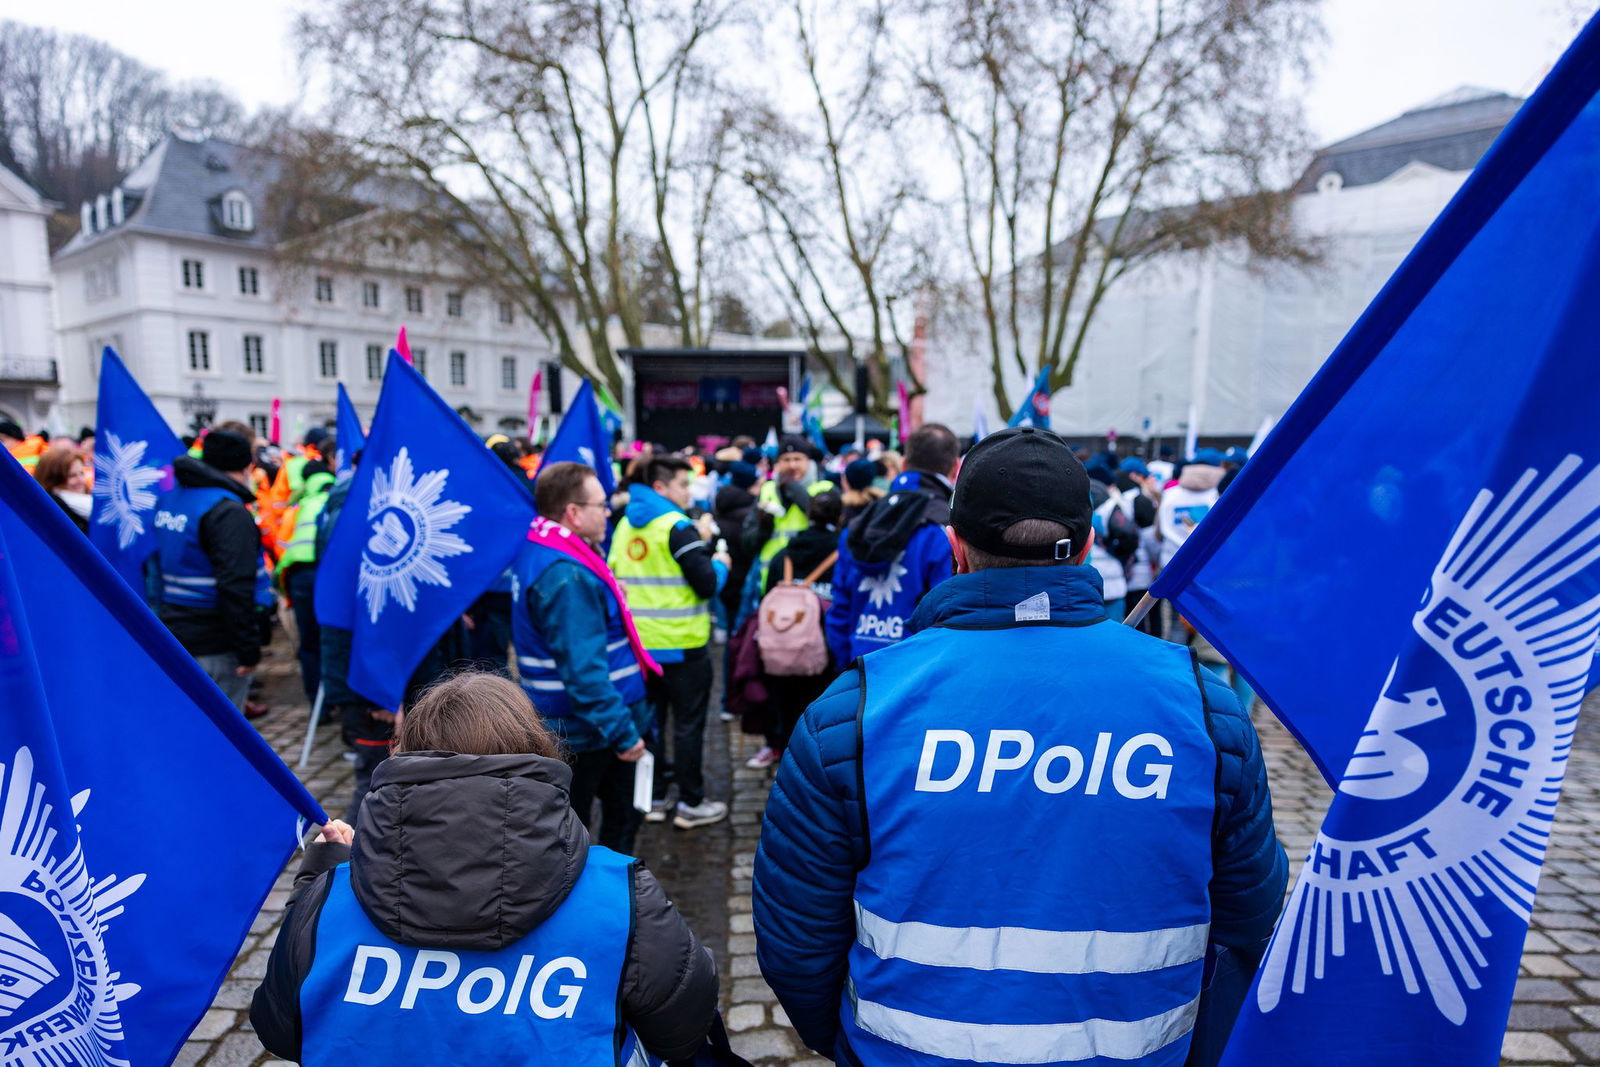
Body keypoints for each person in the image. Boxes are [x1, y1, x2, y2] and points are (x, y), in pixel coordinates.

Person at [752, 426, 1287, 1066]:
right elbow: (1251, 919)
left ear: (955, 548)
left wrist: (845, 1044)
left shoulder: (857, 711)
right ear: (1088, 547)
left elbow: (797, 939)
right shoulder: (1204, 707)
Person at [250, 671, 719, 1064]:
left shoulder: (332, 900)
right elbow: (681, 1031)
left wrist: (319, 884)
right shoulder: (621, 895)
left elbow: (283, 1030)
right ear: (539, 755)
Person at [512, 461, 655, 853]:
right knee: (609, 827)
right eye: (601, 505)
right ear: (573, 513)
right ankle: (607, 901)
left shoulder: (547, 550)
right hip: (591, 730)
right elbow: (584, 674)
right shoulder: (567, 575)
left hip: (577, 724)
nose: (608, 512)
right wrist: (624, 734)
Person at [610, 454, 732, 830]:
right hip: (684, 646)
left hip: (643, 649)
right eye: (682, 484)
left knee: (653, 723)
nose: (688, 491)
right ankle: (692, 802)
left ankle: (658, 798)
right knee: (688, 725)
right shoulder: (677, 526)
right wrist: (721, 561)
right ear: (661, 487)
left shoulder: (624, 526)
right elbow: (706, 585)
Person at [825, 423, 959, 666]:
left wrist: (850, 672)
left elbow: (839, 612)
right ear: (956, 467)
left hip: (859, 673)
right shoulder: (947, 531)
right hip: (913, 676)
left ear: (904, 464)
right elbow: (945, 617)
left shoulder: (860, 523)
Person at [152, 430, 265, 711]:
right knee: (223, 734)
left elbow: (152, 568)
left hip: (174, 631)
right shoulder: (228, 511)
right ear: (245, 466)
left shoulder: (171, 499)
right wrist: (248, 650)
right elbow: (235, 586)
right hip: (215, 640)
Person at [746, 489, 841, 770]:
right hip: (823, 650)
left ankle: (781, 751)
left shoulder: (784, 555)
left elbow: (767, 596)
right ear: (840, 517)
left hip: (782, 648)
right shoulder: (843, 554)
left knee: (784, 704)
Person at [274, 458, 336, 707]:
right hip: (330, 576)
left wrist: (282, 586)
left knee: (308, 643)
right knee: (332, 638)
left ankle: (316, 703)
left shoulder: (297, 508)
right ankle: (337, 700)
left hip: (300, 577)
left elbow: (282, 547)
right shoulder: (340, 501)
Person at [33, 445, 92, 533]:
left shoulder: (89, 501)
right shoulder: (53, 513)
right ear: (53, 479)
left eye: (82, 473)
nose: (81, 480)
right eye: (72, 476)